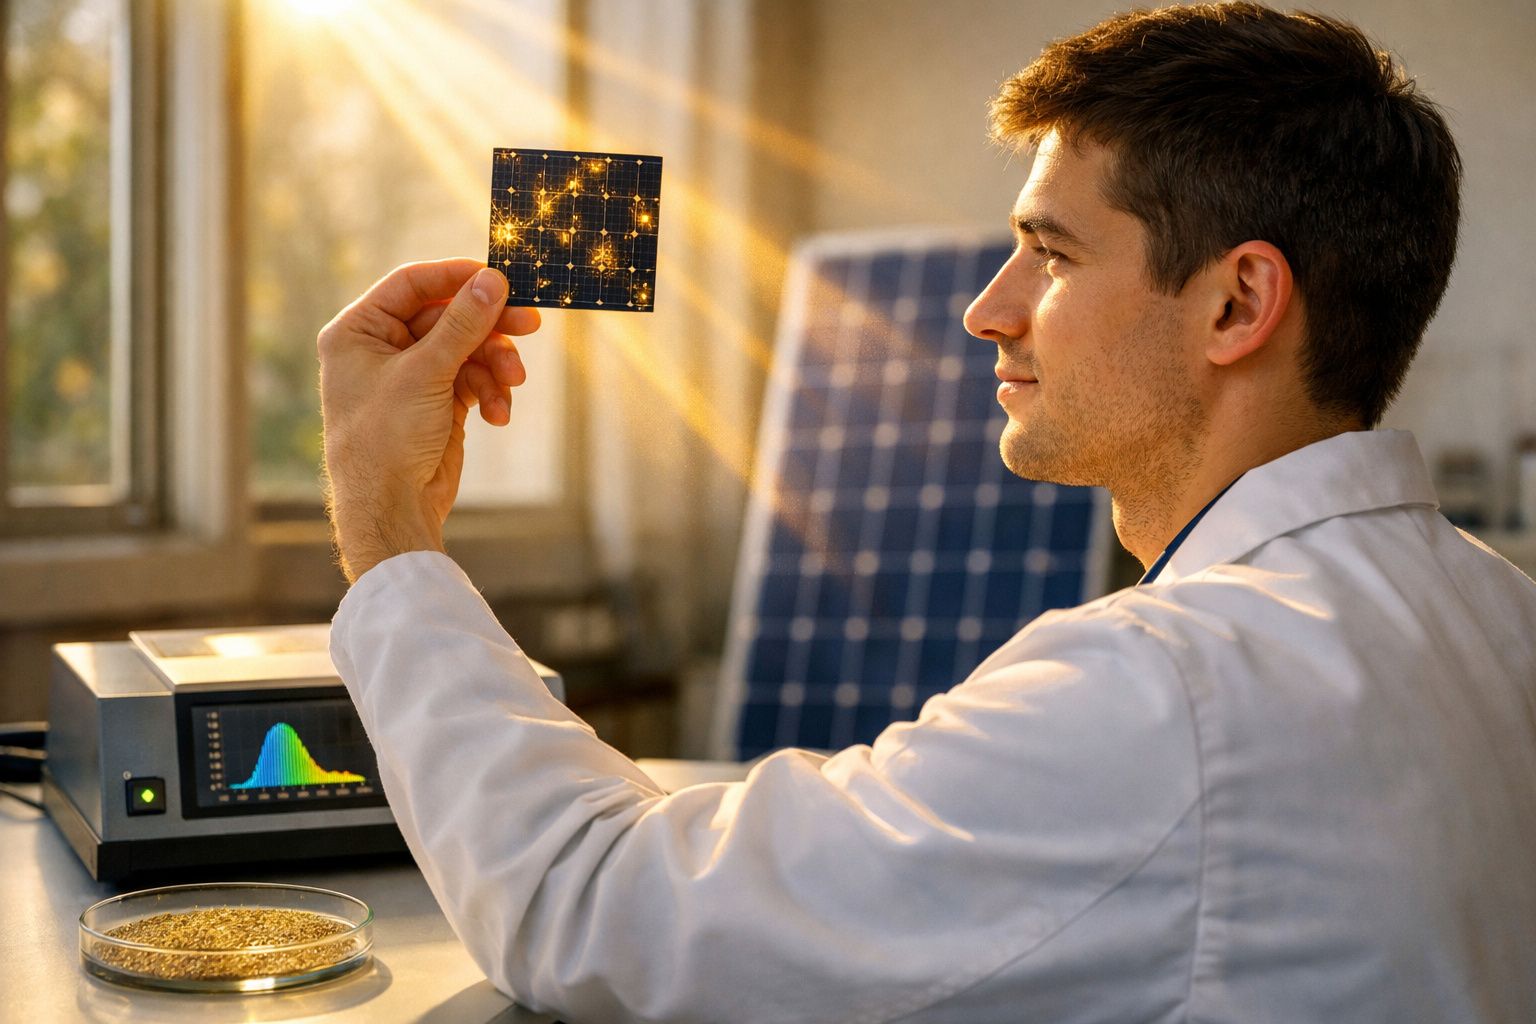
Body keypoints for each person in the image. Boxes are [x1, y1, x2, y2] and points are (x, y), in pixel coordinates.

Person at [318, 4, 1536, 1021]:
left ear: (1237, 304)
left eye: (1051, 255)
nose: (986, 310)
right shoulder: (1501, 615)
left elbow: (590, 907)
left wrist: (388, 526)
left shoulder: (1167, 692)